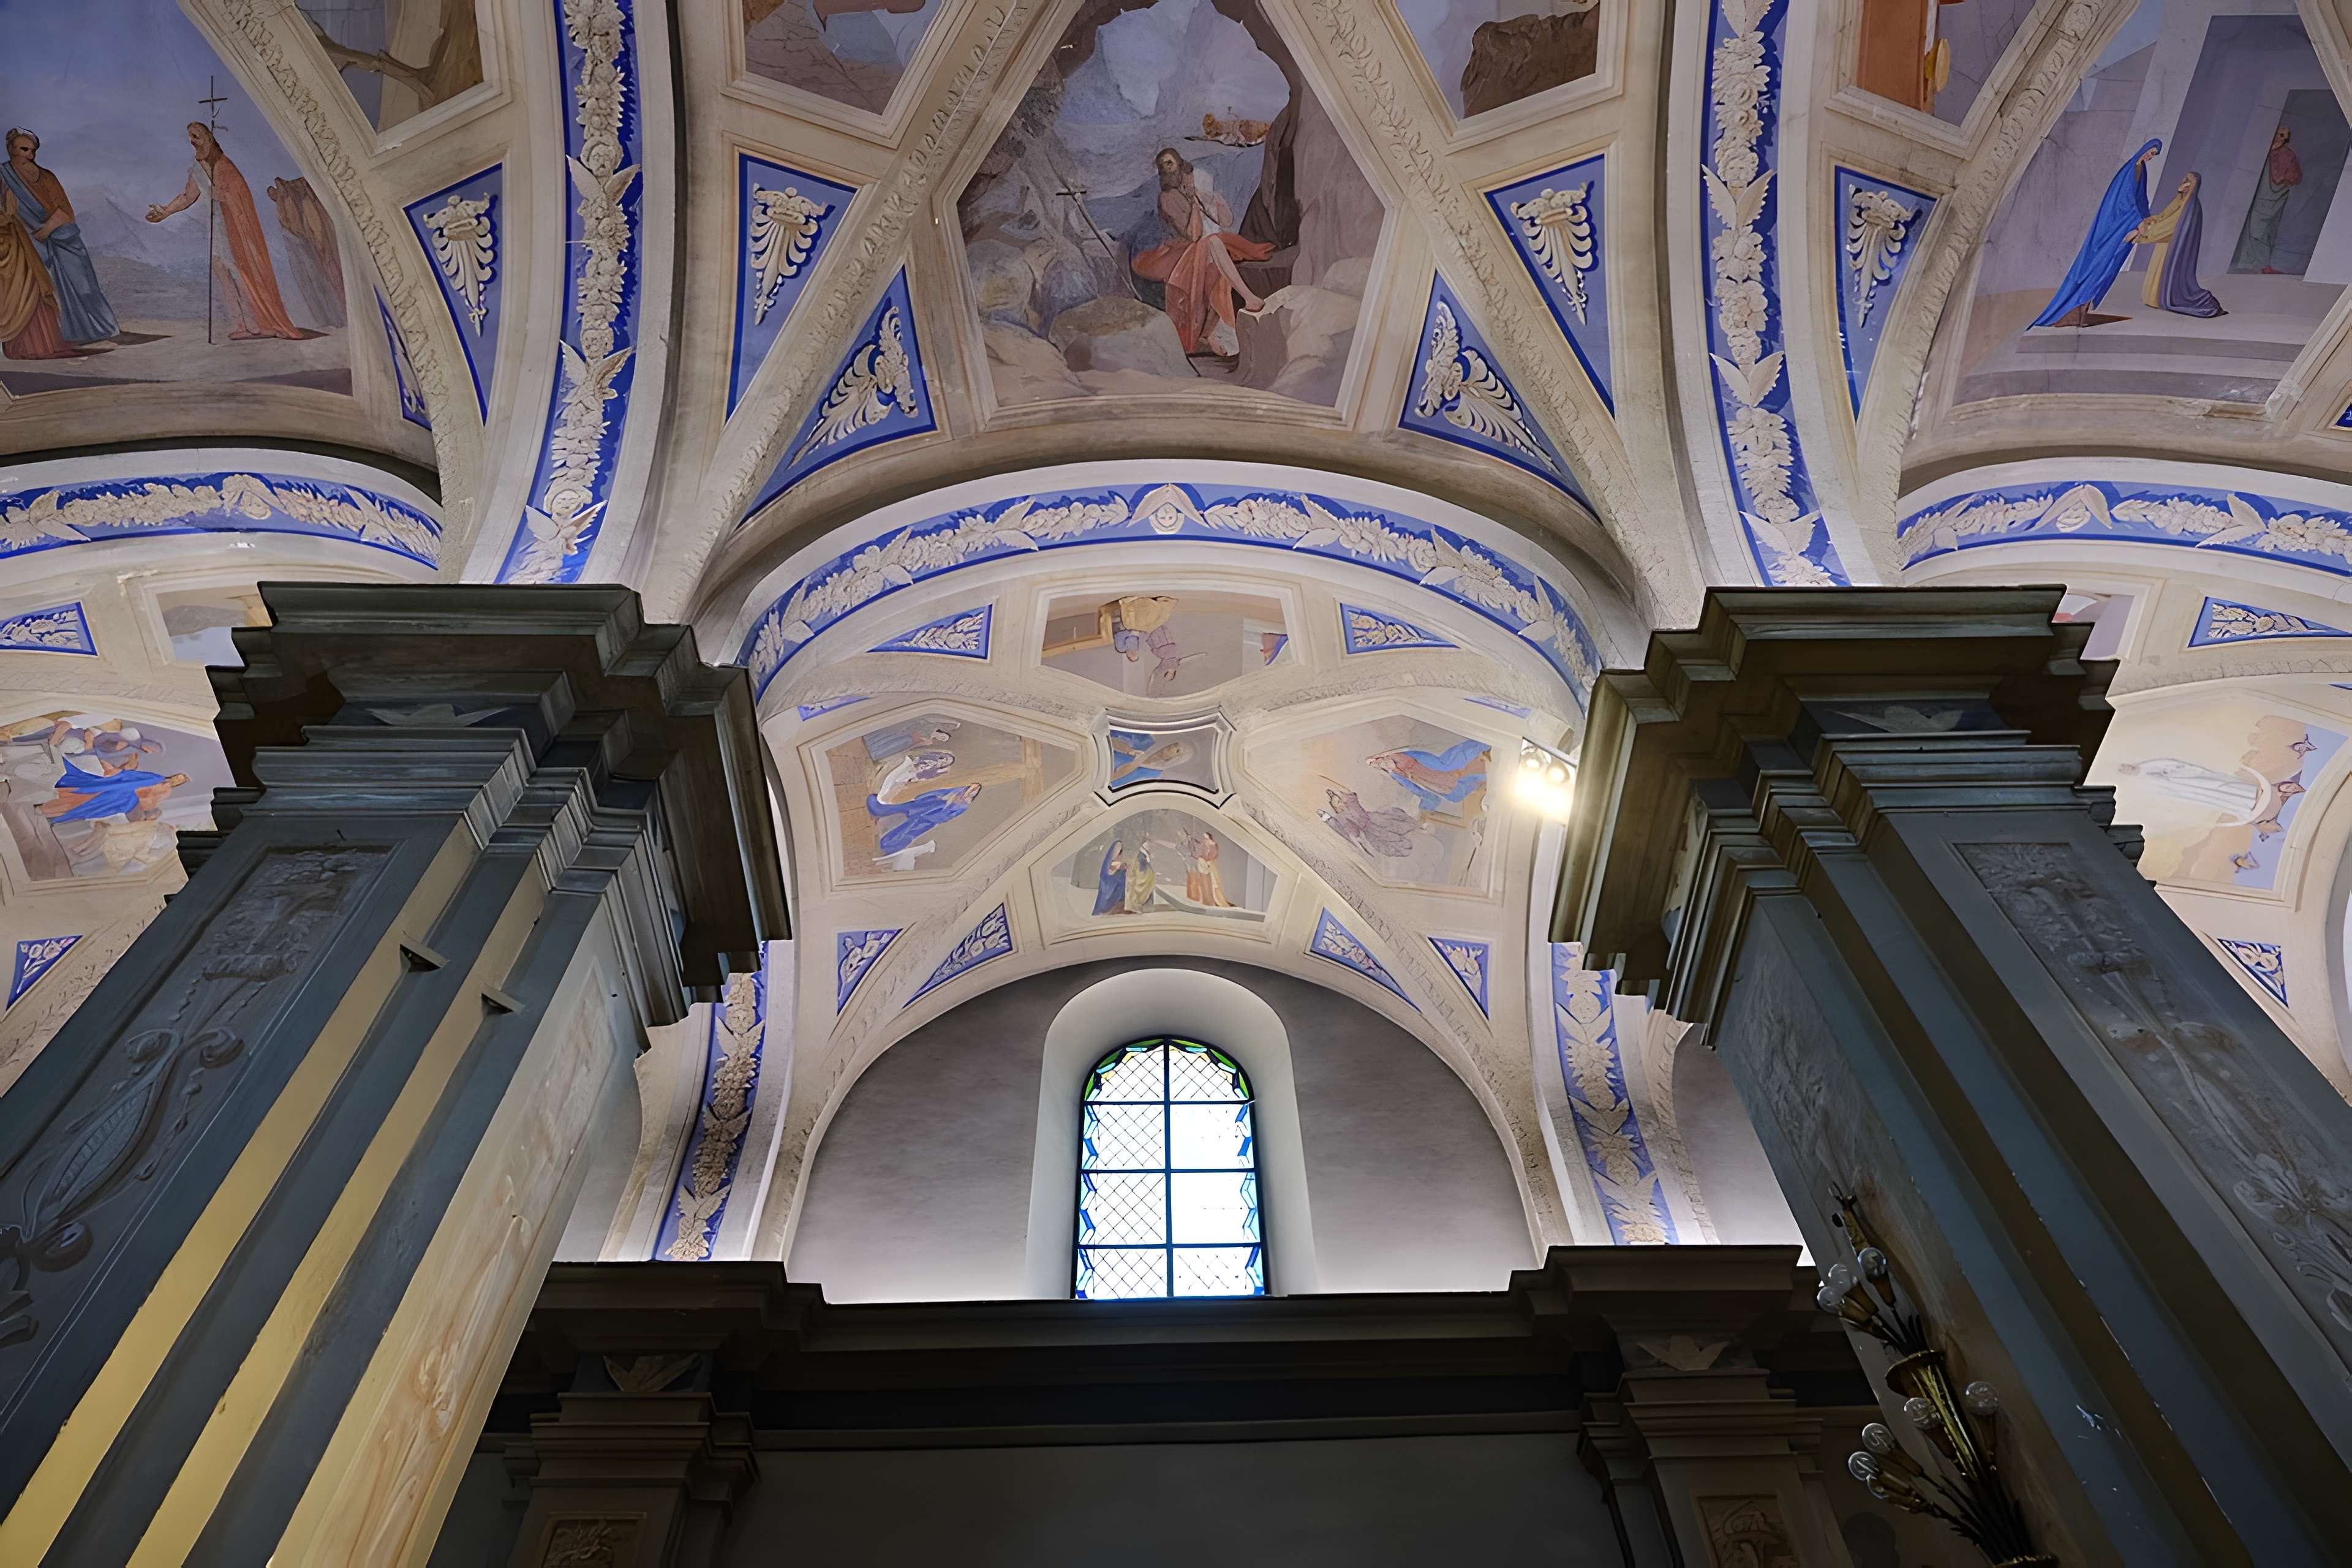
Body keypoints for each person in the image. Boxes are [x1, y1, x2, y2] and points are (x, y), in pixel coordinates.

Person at [148, 123, 309, 341]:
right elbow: (187, 197)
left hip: (235, 229)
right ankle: (241, 323)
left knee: (241, 272)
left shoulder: (225, 167)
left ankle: (261, 322)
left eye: (196, 136)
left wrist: (218, 192)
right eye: (190, 138)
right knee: (222, 273)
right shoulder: (198, 169)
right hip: (216, 229)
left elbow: (237, 195)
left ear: (208, 138)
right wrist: (165, 212)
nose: (192, 141)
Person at [1130, 148, 1275, 360]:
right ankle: (1249, 298)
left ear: (1182, 166)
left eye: (1170, 163)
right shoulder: (1168, 198)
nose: (1167, 169)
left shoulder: (1196, 189)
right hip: (1179, 251)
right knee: (1214, 244)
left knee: (1217, 258)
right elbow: (1194, 235)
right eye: (1163, 166)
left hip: (1205, 247)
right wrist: (1194, 204)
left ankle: (1214, 333)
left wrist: (1206, 198)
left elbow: (1227, 221)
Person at [1, 130, 119, 349]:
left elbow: (65, 212)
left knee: (84, 286)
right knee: (43, 289)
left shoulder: (47, 177)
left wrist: (44, 232)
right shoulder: (3, 176)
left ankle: (99, 328)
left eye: (33, 151)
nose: (30, 155)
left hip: (62, 237)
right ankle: (59, 334)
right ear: (11, 150)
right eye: (24, 150)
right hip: (25, 242)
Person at [2031, 139, 2162, 329]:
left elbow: (2141, 199)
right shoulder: (2129, 171)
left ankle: (2082, 310)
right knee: (2097, 266)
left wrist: (2146, 219)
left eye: (2153, 155)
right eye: (2150, 152)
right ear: (2143, 150)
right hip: (2112, 228)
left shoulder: (2141, 171)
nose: (2150, 157)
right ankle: (2072, 311)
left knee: (2107, 267)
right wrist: (2137, 221)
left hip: (2124, 225)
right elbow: (2123, 202)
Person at [0, 181, 80, 360]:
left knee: (32, 292)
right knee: (19, 294)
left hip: (17, 247)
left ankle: (39, 343)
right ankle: (27, 345)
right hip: (12, 247)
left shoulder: (8, 185)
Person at [2132, 172, 2223, 318]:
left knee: (2168, 272)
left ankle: (2165, 299)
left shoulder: (2191, 205)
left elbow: (2172, 224)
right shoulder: (2182, 201)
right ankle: (2154, 298)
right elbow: (2165, 216)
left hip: (2174, 245)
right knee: (2159, 269)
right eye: (2184, 180)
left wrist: (2146, 234)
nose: (2184, 184)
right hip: (2167, 242)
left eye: (2188, 182)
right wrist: (2151, 222)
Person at [266, 175, 345, 328]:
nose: (272, 194)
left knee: (331, 282)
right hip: (304, 247)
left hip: (315, 249)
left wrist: (319, 246)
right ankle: (328, 318)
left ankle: (338, 317)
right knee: (315, 285)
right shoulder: (287, 203)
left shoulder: (300, 202)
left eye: (274, 191)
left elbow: (315, 229)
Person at [2233, 126, 2301, 274]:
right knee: (2254, 229)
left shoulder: (2287, 155)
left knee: (2266, 231)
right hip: (2260, 197)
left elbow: (2294, 176)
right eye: (2280, 134)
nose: (2282, 138)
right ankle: (2250, 262)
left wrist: (2283, 180)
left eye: (2285, 136)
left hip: (2276, 198)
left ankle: (2263, 264)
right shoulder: (2261, 152)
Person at [1183, 829, 1234, 908]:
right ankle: (1208, 899)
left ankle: (1218, 900)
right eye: (1204, 838)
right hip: (1204, 863)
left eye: (1206, 837)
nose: (1205, 839)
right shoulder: (1204, 844)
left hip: (1211, 863)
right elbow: (1200, 852)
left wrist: (1207, 860)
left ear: (1209, 837)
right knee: (1205, 881)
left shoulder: (1213, 845)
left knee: (1214, 882)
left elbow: (1214, 855)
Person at [1092, 839, 1129, 916]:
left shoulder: (1120, 864)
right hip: (1110, 899)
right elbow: (1110, 877)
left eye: (1120, 851)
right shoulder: (1111, 866)